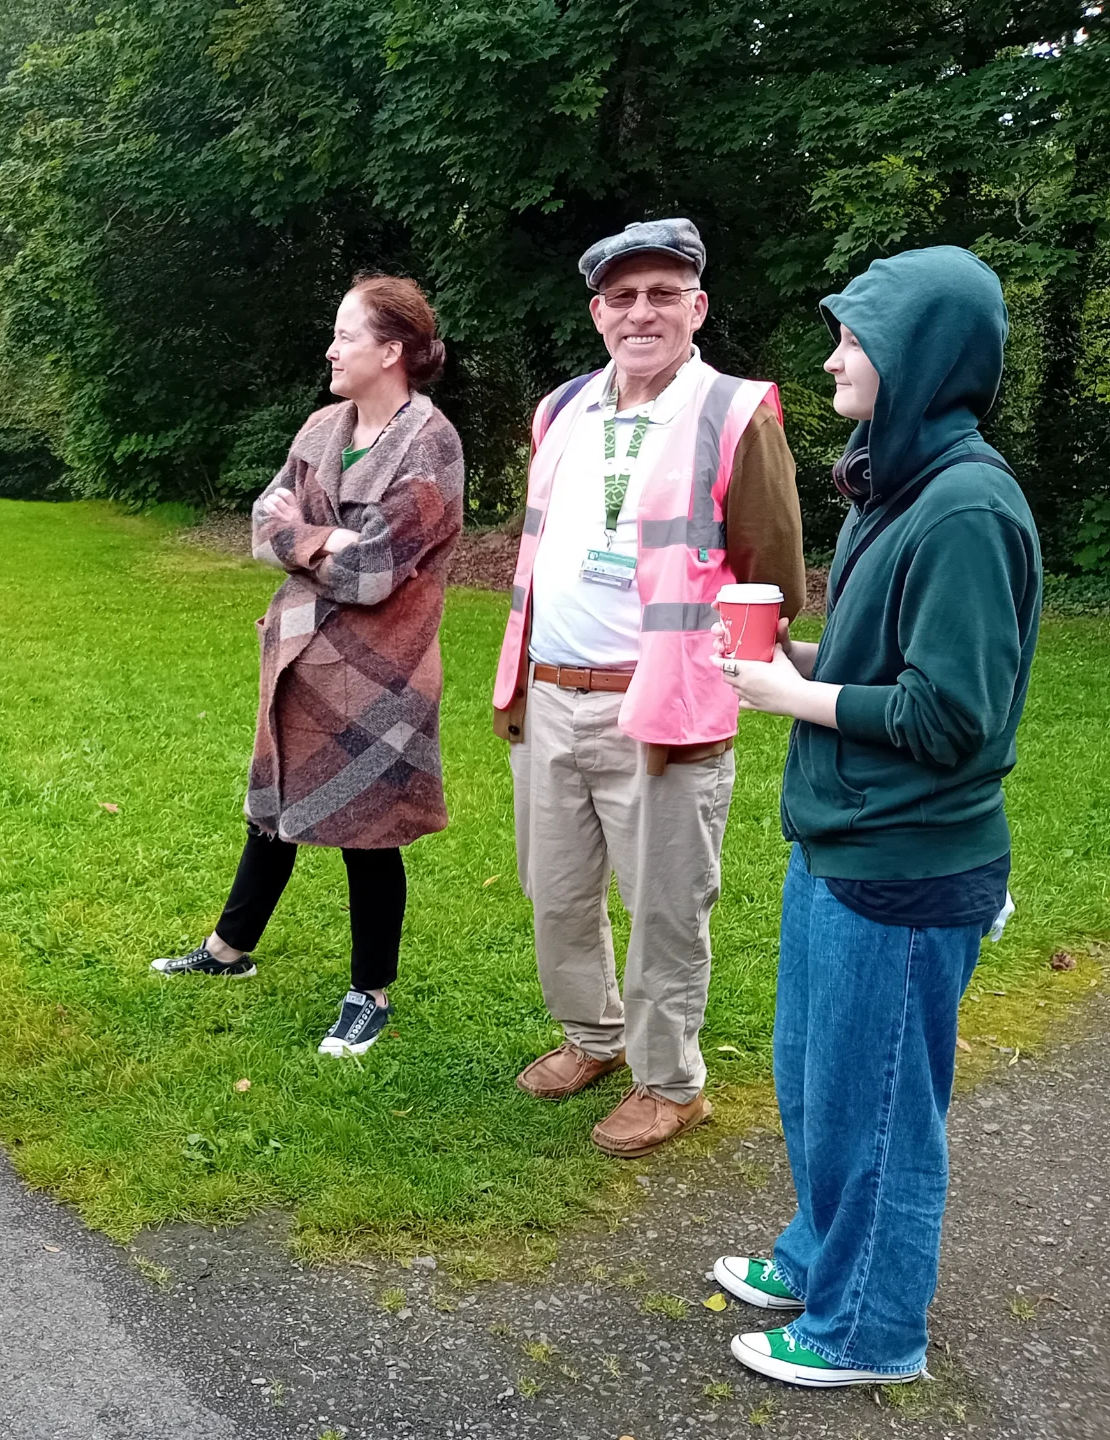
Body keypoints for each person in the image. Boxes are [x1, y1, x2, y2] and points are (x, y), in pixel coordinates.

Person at [714, 247, 1040, 1388]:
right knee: (817, 1081)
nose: (831, 356)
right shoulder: (891, 485)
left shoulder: (966, 507)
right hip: (843, 843)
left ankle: (870, 1331)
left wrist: (795, 696)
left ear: (916, 354)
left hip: (908, 861)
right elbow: (882, 668)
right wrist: (789, 656)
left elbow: (957, 714)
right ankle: (818, 1256)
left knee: (884, 1108)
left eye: (852, 337)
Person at [493, 219, 806, 1157]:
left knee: (667, 903)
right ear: (597, 314)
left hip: (665, 706)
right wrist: (520, 685)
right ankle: (593, 1036)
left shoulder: (736, 412)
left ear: (696, 307)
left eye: (663, 294)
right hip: (552, 691)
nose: (642, 313)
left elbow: (770, 576)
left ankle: (671, 1082)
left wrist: (731, 681)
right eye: (622, 297)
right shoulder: (560, 412)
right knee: (554, 890)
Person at [151, 274, 463, 1057]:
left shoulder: (430, 444)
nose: (331, 347)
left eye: (346, 334)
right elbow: (262, 526)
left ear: (392, 350)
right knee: (274, 808)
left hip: (382, 675)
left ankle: (370, 992)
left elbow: (376, 573)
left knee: (370, 831)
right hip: (297, 659)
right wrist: (326, 540)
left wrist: (310, 539)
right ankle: (229, 949)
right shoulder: (323, 428)